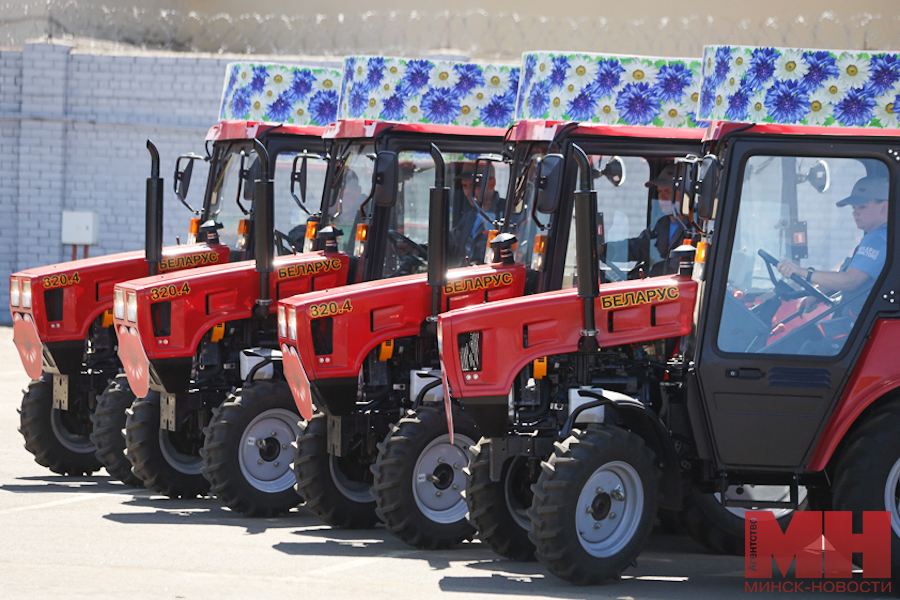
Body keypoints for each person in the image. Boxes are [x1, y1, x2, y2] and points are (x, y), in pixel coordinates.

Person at [777, 175, 888, 297]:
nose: (854, 213)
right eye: (853, 208)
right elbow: (846, 274)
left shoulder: (878, 239)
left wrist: (800, 271)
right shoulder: (881, 237)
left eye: (862, 206)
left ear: (884, 208)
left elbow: (850, 281)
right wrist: (819, 293)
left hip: (858, 313)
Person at [601, 163, 689, 277]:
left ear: (685, 194)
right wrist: (604, 250)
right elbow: (638, 247)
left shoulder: (697, 228)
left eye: (668, 192)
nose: (662, 198)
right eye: (659, 192)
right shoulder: (662, 225)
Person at [450, 162, 501, 265]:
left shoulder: (508, 216)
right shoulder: (468, 217)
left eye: (474, 186)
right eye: (465, 186)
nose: (468, 192)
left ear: (492, 183)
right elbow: (450, 243)